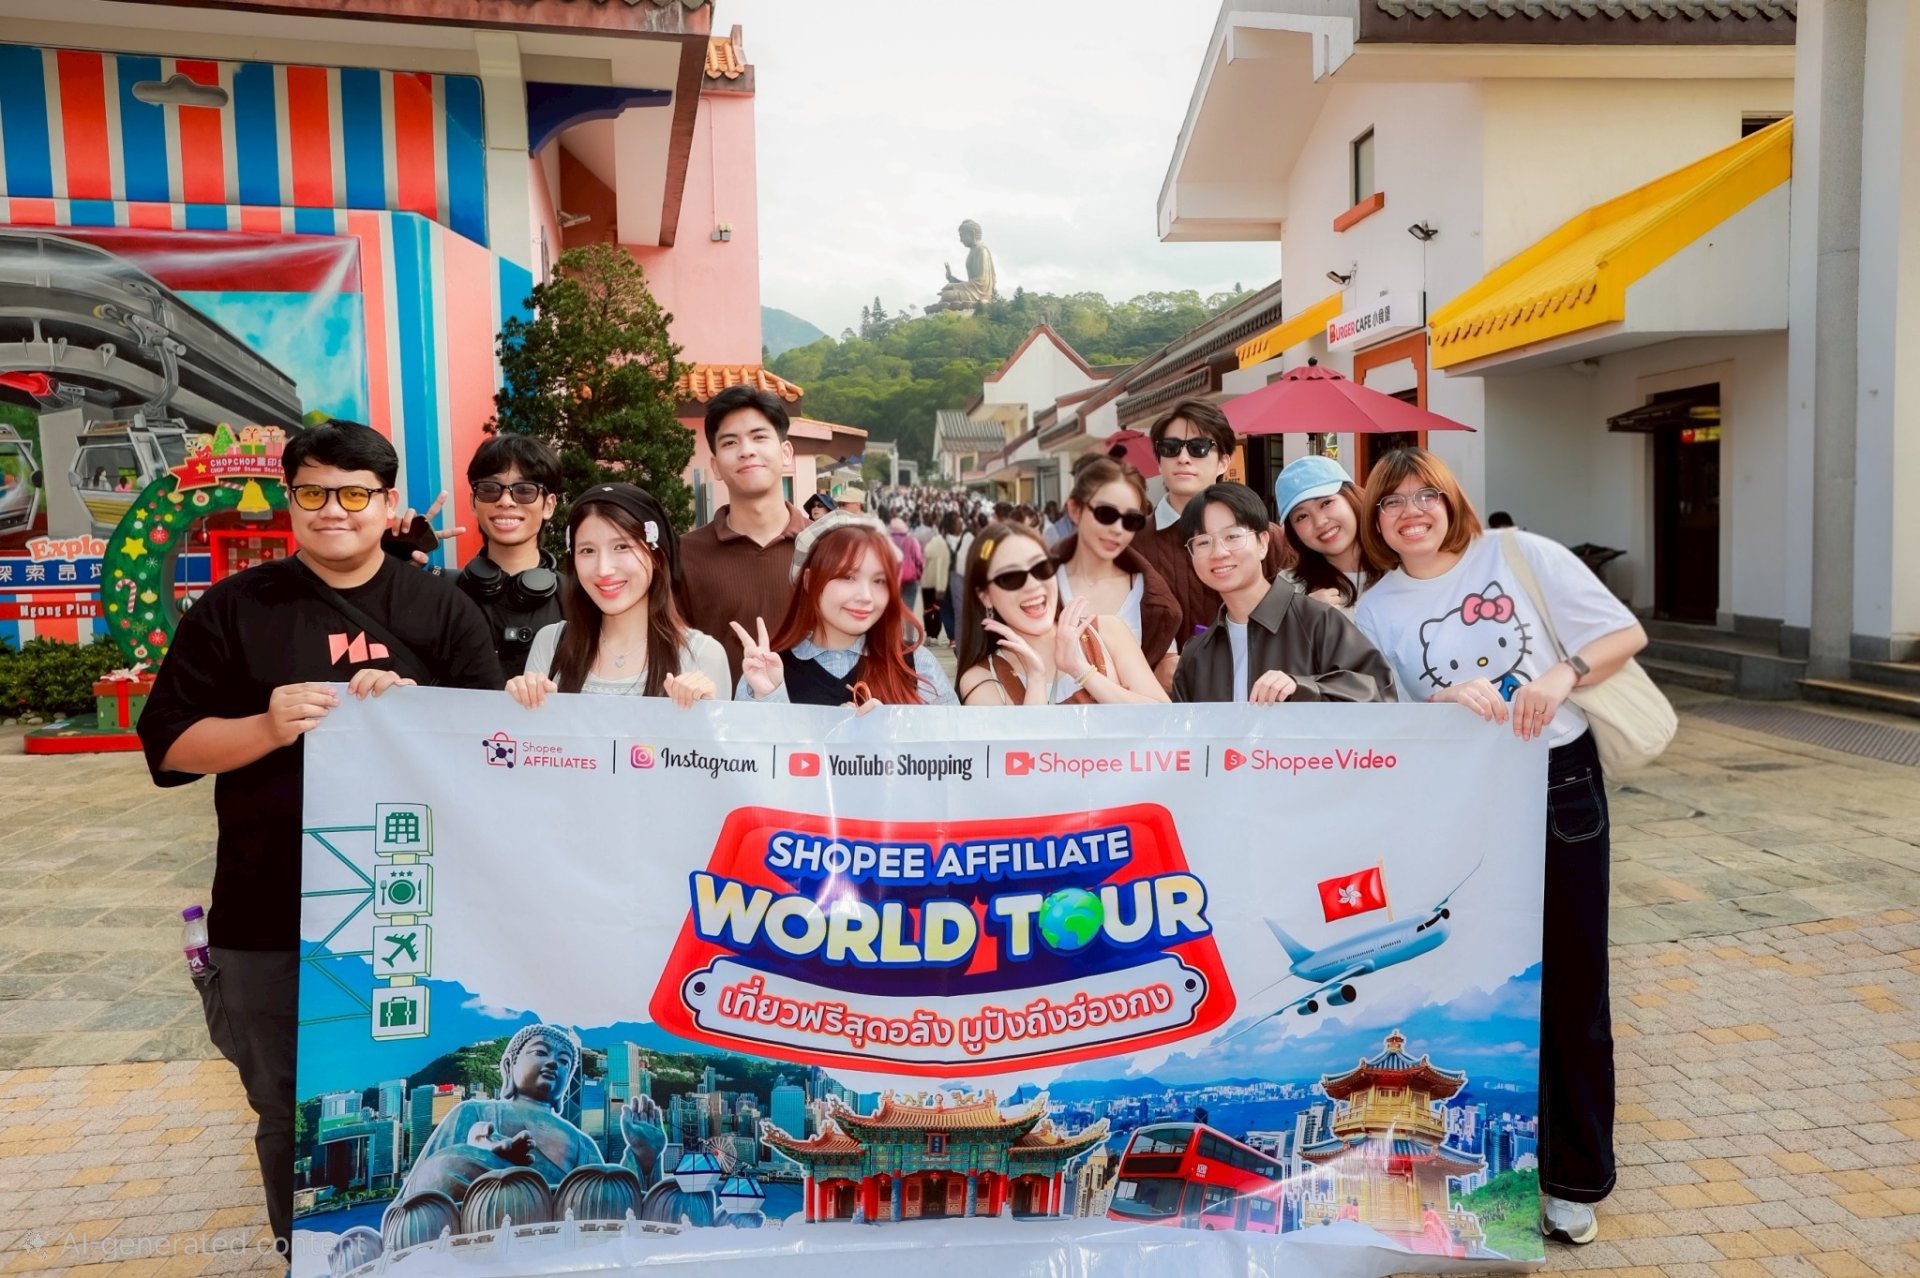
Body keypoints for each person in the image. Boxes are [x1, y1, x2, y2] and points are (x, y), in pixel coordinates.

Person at [136, 421, 502, 1260]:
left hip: (410, 913)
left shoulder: (441, 608)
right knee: (285, 1106)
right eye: (312, 492)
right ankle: (298, 1255)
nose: (333, 510)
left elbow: (491, 755)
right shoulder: (236, 607)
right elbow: (172, 748)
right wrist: (266, 726)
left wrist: (417, 715)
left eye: (354, 494)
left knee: (420, 1094)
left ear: (387, 501)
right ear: (289, 500)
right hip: (265, 909)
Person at [1350, 447, 1648, 1248]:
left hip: (1557, 783)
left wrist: (1562, 674)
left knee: (1575, 987)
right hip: (1462, 804)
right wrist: (1439, 703)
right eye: (1392, 502)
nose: (1411, 512)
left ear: (1452, 500)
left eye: (1426, 494)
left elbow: (1624, 633)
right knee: (1490, 994)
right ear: (1376, 521)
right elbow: (1382, 723)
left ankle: (1574, 1181)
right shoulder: (1375, 610)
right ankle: (1493, 1182)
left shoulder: (1518, 555)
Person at [506, 483, 728, 707]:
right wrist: (520, 704)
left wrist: (704, 713)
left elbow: (719, 730)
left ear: (656, 555)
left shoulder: (702, 655)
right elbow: (530, 730)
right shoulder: (551, 644)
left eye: (622, 547)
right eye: (587, 551)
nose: (604, 569)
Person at [1171, 483, 1393, 704]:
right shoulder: (1196, 655)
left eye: (1232, 536)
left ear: (1262, 543)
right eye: (1203, 542)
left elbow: (1379, 693)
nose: (1219, 552)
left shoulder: (1318, 622)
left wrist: (1304, 688)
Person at [731, 511, 956, 706]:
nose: (866, 597)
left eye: (879, 581)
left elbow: (952, 739)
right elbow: (745, 742)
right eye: (848, 577)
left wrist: (891, 728)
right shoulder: (768, 669)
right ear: (808, 580)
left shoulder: (915, 664)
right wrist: (770, 697)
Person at [1128, 400, 1294, 654]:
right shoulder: (1132, 544)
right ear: (1159, 462)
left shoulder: (1265, 537)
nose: (1183, 458)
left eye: (1199, 448)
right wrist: (1156, 662)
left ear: (1224, 462)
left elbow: (1302, 606)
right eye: (1170, 448)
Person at [678, 384, 811, 687]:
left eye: (759, 437)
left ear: (786, 453)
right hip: (718, 715)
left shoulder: (827, 545)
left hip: (815, 715)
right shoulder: (685, 555)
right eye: (730, 442)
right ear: (715, 467)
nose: (746, 450)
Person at [954, 523, 1169, 705]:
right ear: (985, 596)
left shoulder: (1109, 631)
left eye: (1041, 568)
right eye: (1010, 577)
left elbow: (1165, 718)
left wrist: (1083, 671)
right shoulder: (982, 678)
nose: (1033, 585)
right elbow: (1026, 744)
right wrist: (1035, 680)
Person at [1051, 456, 1181, 683]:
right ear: (1075, 509)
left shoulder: (1152, 598)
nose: (1118, 529)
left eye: (1131, 520)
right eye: (1106, 514)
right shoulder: (1038, 584)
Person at [456, 434, 565, 676]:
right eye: (489, 489)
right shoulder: (445, 595)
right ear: (473, 502)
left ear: (549, 505)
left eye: (524, 490)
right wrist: (392, 559)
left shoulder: (576, 600)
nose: (505, 501)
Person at [1273, 454, 1374, 613]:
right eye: (1302, 516)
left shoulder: (1402, 566)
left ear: (1351, 497)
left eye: (1326, 503)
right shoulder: (1287, 589)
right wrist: (1303, 617)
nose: (1320, 522)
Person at [937, 510, 973, 646]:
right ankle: (958, 635)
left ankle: (953, 636)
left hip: (944, 577)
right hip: (959, 577)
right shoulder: (966, 538)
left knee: (945, 607)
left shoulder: (941, 539)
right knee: (956, 607)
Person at [921, 520, 953, 645]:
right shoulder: (949, 544)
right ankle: (934, 634)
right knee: (938, 609)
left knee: (927, 609)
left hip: (928, 581)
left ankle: (929, 634)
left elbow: (925, 555)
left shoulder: (933, 542)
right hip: (941, 582)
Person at [888, 515, 925, 614]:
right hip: (910, 578)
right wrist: (920, 573)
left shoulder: (887, 541)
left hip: (892, 578)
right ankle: (906, 624)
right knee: (908, 610)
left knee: (893, 609)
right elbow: (919, 559)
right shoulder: (912, 540)